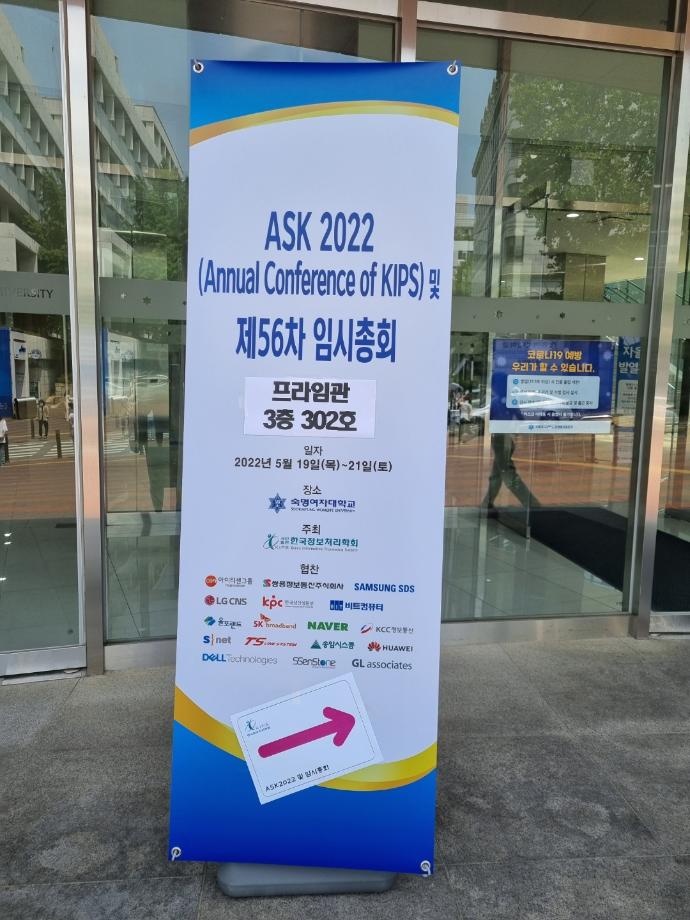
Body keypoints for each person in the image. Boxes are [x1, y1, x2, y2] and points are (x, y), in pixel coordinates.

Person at [482, 433, 540, 510]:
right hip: (502, 440)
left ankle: (532, 504)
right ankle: (487, 503)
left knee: (507, 476)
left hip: (501, 440)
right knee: (497, 476)